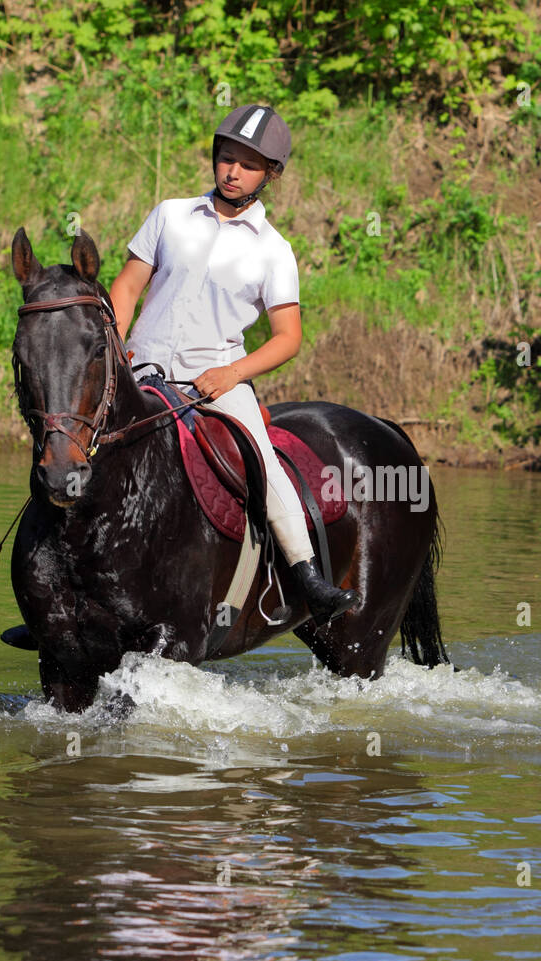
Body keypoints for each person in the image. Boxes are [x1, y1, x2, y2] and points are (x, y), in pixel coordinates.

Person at [109, 104, 358, 626]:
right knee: (71, 439)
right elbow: (129, 286)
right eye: (227, 158)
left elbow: (288, 338)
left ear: (271, 174)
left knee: (261, 462)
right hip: (139, 368)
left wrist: (232, 375)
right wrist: (115, 346)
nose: (232, 171)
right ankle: (55, 585)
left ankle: (308, 574)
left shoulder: (274, 251)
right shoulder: (170, 214)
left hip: (216, 380)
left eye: (248, 164)